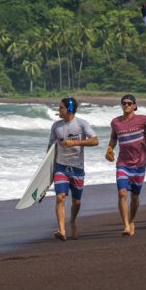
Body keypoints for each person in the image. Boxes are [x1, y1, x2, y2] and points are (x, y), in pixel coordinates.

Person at [106, 94, 146, 235]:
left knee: (135, 196)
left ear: (135, 105)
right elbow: (113, 138)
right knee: (122, 192)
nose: (126, 106)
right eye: (124, 103)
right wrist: (109, 149)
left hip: (140, 163)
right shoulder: (115, 122)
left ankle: (131, 220)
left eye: (129, 103)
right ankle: (126, 226)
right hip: (122, 163)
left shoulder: (144, 120)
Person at [48, 97, 99, 241]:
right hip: (61, 167)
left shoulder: (82, 124)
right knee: (60, 197)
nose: (59, 110)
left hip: (77, 168)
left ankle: (72, 221)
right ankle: (62, 230)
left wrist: (74, 142)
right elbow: (50, 147)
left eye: (61, 108)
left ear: (69, 109)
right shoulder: (56, 126)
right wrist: (47, 169)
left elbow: (95, 140)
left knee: (76, 201)